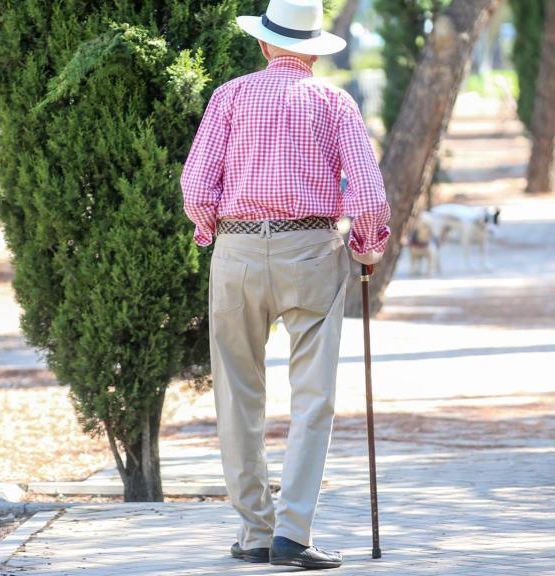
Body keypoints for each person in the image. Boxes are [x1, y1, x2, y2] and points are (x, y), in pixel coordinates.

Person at [181, 0, 390, 570]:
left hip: (238, 252)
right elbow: (368, 198)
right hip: (311, 251)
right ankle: (292, 534)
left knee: (237, 391)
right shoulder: (334, 102)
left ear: (266, 44)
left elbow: (197, 188)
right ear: (313, 51)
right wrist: (367, 243)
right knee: (314, 395)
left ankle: (253, 530)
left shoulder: (229, 96)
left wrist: (219, 232)